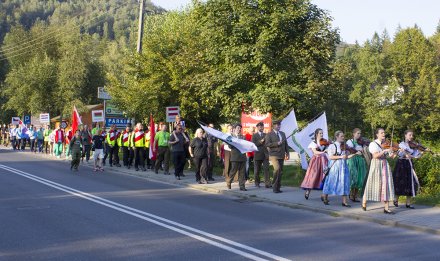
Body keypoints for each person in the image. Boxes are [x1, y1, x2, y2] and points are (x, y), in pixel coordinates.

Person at [362, 128, 398, 214]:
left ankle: (386, 208)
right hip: (376, 165)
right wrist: (384, 151)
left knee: (386, 185)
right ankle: (364, 201)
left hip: (385, 164)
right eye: (381, 133)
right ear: (377, 135)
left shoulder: (386, 144)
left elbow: (391, 157)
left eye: (384, 133)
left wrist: (395, 152)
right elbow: (375, 156)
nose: (383, 134)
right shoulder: (373, 144)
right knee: (372, 184)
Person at [322, 131, 355, 207]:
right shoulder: (332, 146)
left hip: (343, 167)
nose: (343, 138)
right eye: (341, 136)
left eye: (343, 136)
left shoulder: (344, 146)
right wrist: (340, 157)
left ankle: (344, 202)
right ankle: (325, 196)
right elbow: (330, 157)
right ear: (337, 137)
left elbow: (346, 157)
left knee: (344, 182)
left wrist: (355, 154)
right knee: (331, 181)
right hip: (335, 167)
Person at [392, 130, 422, 209]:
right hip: (401, 164)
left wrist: (421, 153)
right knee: (399, 181)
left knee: (410, 182)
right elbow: (400, 154)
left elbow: (416, 155)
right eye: (410, 135)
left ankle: (408, 203)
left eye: (412, 135)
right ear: (405, 135)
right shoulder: (401, 144)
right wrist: (407, 154)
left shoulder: (413, 145)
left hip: (409, 164)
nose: (411, 137)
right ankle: (396, 199)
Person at [301, 128, 329, 199]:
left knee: (324, 176)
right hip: (316, 160)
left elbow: (328, 148)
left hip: (324, 160)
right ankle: (308, 190)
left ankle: (323, 194)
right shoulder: (313, 143)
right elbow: (315, 152)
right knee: (313, 176)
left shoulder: (325, 142)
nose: (322, 134)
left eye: (322, 133)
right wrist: (323, 152)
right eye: (320, 133)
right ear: (316, 134)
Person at [265, 121, 289, 193]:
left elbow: (285, 144)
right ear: (273, 126)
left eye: (279, 125)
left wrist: (287, 153)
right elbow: (267, 144)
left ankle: (278, 187)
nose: (279, 126)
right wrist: (276, 143)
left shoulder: (282, 134)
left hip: (281, 155)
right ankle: (274, 186)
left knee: (280, 171)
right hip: (274, 155)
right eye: (277, 125)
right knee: (277, 169)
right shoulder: (269, 134)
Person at [346, 128, 368, 202]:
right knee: (354, 177)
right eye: (358, 133)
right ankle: (351, 194)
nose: (359, 135)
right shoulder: (350, 141)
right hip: (353, 160)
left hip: (360, 160)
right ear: (353, 134)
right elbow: (349, 151)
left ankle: (355, 195)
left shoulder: (361, 142)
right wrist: (355, 150)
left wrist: (364, 149)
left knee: (360, 177)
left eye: (360, 133)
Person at [226, 124, 247, 191]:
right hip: (235, 156)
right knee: (233, 171)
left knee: (242, 172)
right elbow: (230, 146)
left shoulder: (243, 137)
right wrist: (233, 143)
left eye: (240, 128)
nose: (239, 129)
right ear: (234, 129)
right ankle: (229, 181)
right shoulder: (231, 137)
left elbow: (245, 145)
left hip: (243, 157)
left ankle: (242, 186)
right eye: (238, 128)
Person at [252, 122, 271, 188]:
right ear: (257, 128)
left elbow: (268, 143)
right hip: (257, 155)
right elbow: (253, 145)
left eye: (262, 126)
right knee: (257, 170)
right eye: (260, 126)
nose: (261, 128)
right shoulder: (254, 135)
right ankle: (257, 183)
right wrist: (261, 141)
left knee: (266, 169)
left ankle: (267, 183)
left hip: (265, 155)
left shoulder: (266, 135)